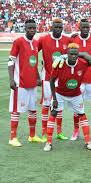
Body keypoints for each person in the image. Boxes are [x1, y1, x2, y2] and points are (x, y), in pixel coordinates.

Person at [43, 43, 91, 152]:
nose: (73, 56)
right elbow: (52, 81)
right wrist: (55, 98)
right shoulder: (59, 64)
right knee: (53, 113)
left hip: (76, 94)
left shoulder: (83, 63)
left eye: (75, 54)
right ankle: (48, 143)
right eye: (71, 54)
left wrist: (81, 54)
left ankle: (88, 142)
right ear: (67, 54)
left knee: (82, 114)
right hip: (60, 93)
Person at [8, 19, 43, 147]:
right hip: (19, 83)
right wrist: (12, 79)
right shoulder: (18, 42)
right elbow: (11, 61)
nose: (32, 30)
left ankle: (32, 136)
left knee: (33, 110)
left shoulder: (35, 43)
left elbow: (33, 62)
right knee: (16, 111)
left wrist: (38, 77)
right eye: (29, 28)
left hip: (32, 83)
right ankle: (12, 137)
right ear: (25, 28)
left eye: (33, 28)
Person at [70, 19, 91, 141]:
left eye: (87, 27)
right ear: (79, 28)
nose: (85, 29)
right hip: (78, 79)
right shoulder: (74, 39)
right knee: (77, 106)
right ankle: (75, 130)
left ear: (90, 28)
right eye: (83, 27)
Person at [38, 18, 71, 142]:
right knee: (46, 105)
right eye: (55, 27)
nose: (58, 29)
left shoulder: (67, 40)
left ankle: (59, 132)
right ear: (51, 27)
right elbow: (33, 51)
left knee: (59, 105)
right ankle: (44, 132)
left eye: (60, 27)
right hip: (47, 78)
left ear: (62, 28)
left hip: (61, 79)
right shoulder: (43, 39)